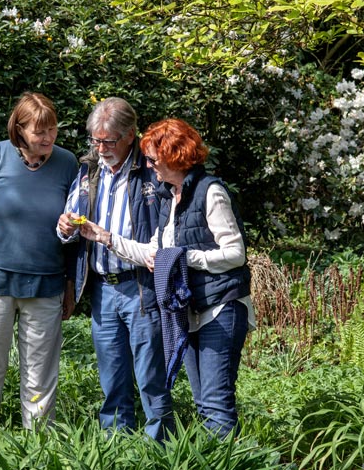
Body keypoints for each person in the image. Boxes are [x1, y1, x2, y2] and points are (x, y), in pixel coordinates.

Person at [76, 118, 256, 439]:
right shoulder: (167, 197)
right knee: (204, 405)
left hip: (221, 308)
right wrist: (104, 237)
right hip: (191, 311)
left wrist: (185, 257)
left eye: (153, 160)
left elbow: (235, 254)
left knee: (216, 404)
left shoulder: (209, 192)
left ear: (175, 157)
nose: (148, 166)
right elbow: (152, 253)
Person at [0, 92, 78, 433]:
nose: (48, 137)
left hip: (47, 284)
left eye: (53, 129)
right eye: (40, 131)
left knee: (41, 375)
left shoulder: (68, 163)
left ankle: (37, 445)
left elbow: (74, 227)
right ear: (19, 129)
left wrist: (70, 283)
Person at [56, 97, 173, 441]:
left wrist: (109, 238)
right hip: (102, 288)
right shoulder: (88, 169)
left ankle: (161, 448)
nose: (101, 147)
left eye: (108, 140)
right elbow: (69, 222)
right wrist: (64, 228)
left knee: (152, 375)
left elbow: (165, 233)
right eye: (95, 140)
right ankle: (117, 446)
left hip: (142, 285)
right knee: (112, 376)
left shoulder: (151, 170)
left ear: (130, 135)